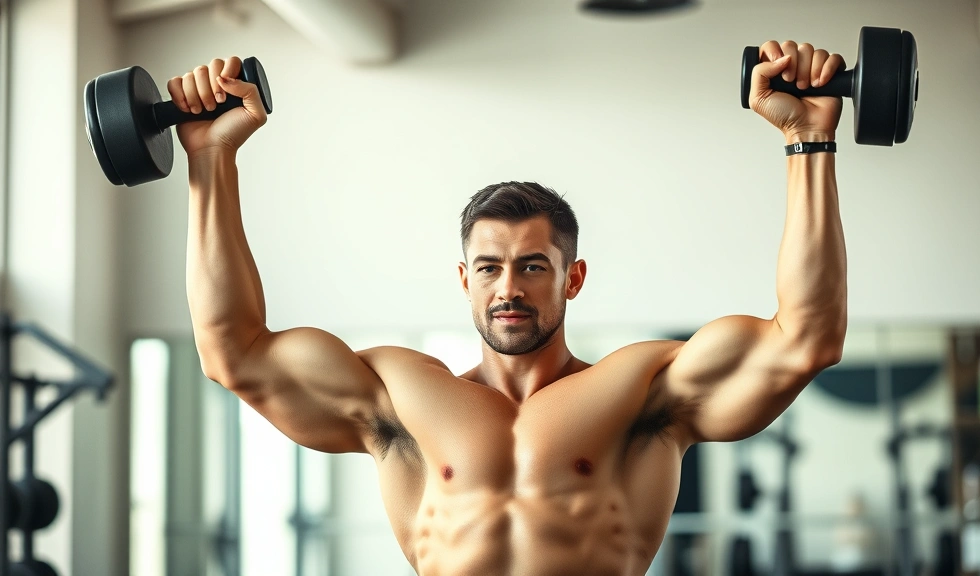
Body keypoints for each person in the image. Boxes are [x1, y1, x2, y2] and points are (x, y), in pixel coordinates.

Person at [169, 39, 848, 576]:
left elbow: (805, 340)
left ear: (572, 278)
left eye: (532, 267)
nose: (508, 289)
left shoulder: (642, 391)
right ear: (464, 279)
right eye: (490, 268)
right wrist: (210, 158)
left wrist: (807, 141)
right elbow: (232, 352)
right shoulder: (400, 394)